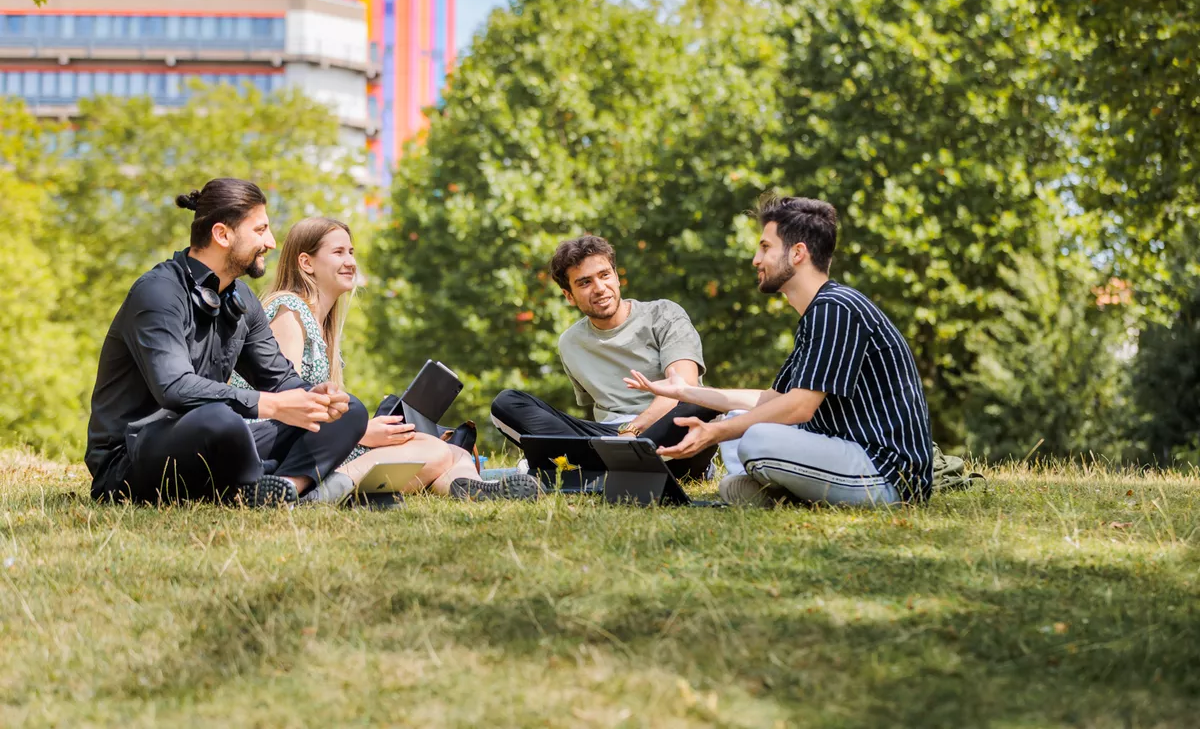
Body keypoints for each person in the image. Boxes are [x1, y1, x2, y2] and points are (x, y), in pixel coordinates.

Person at [625, 194, 934, 507]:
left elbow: (799, 408)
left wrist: (715, 432)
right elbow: (768, 400)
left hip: (890, 476)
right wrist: (686, 391)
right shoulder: (818, 313)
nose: (756, 260)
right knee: (738, 459)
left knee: (756, 438)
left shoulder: (837, 309)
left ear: (798, 253)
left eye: (765, 247)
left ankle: (787, 493)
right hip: (850, 458)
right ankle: (791, 497)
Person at [85, 178, 368, 507]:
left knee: (350, 411)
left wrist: (316, 397)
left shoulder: (241, 298)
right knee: (220, 420)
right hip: (131, 458)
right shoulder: (158, 292)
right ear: (222, 235)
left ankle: (284, 487)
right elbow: (175, 387)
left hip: (215, 442)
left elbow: (279, 379)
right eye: (260, 230)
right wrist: (274, 406)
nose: (272, 242)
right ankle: (256, 480)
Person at [231, 217, 539, 503]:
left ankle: (476, 490)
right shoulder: (289, 311)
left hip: (314, 442)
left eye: (351, 252)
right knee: (430, 449)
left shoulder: (323, 324)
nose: (350, 261)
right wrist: (360, 431)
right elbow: (285, 404)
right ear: (306, 262)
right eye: (338, 252)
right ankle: (315, 495)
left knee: (451, 452)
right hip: (280, 451)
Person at [490, 235, 719, 481]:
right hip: (609, 437)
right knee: (507, 403)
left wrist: (633, 430)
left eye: (605, 275)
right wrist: (618, 438)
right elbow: (595, 412)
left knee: (702, 402)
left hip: (667, 429)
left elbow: (684, 389)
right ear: (569, 295)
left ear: (617, 278)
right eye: (585, 282)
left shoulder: (664, 314)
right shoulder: (570, 343)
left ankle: (585, 470)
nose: (599, 288)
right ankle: (608, 467)